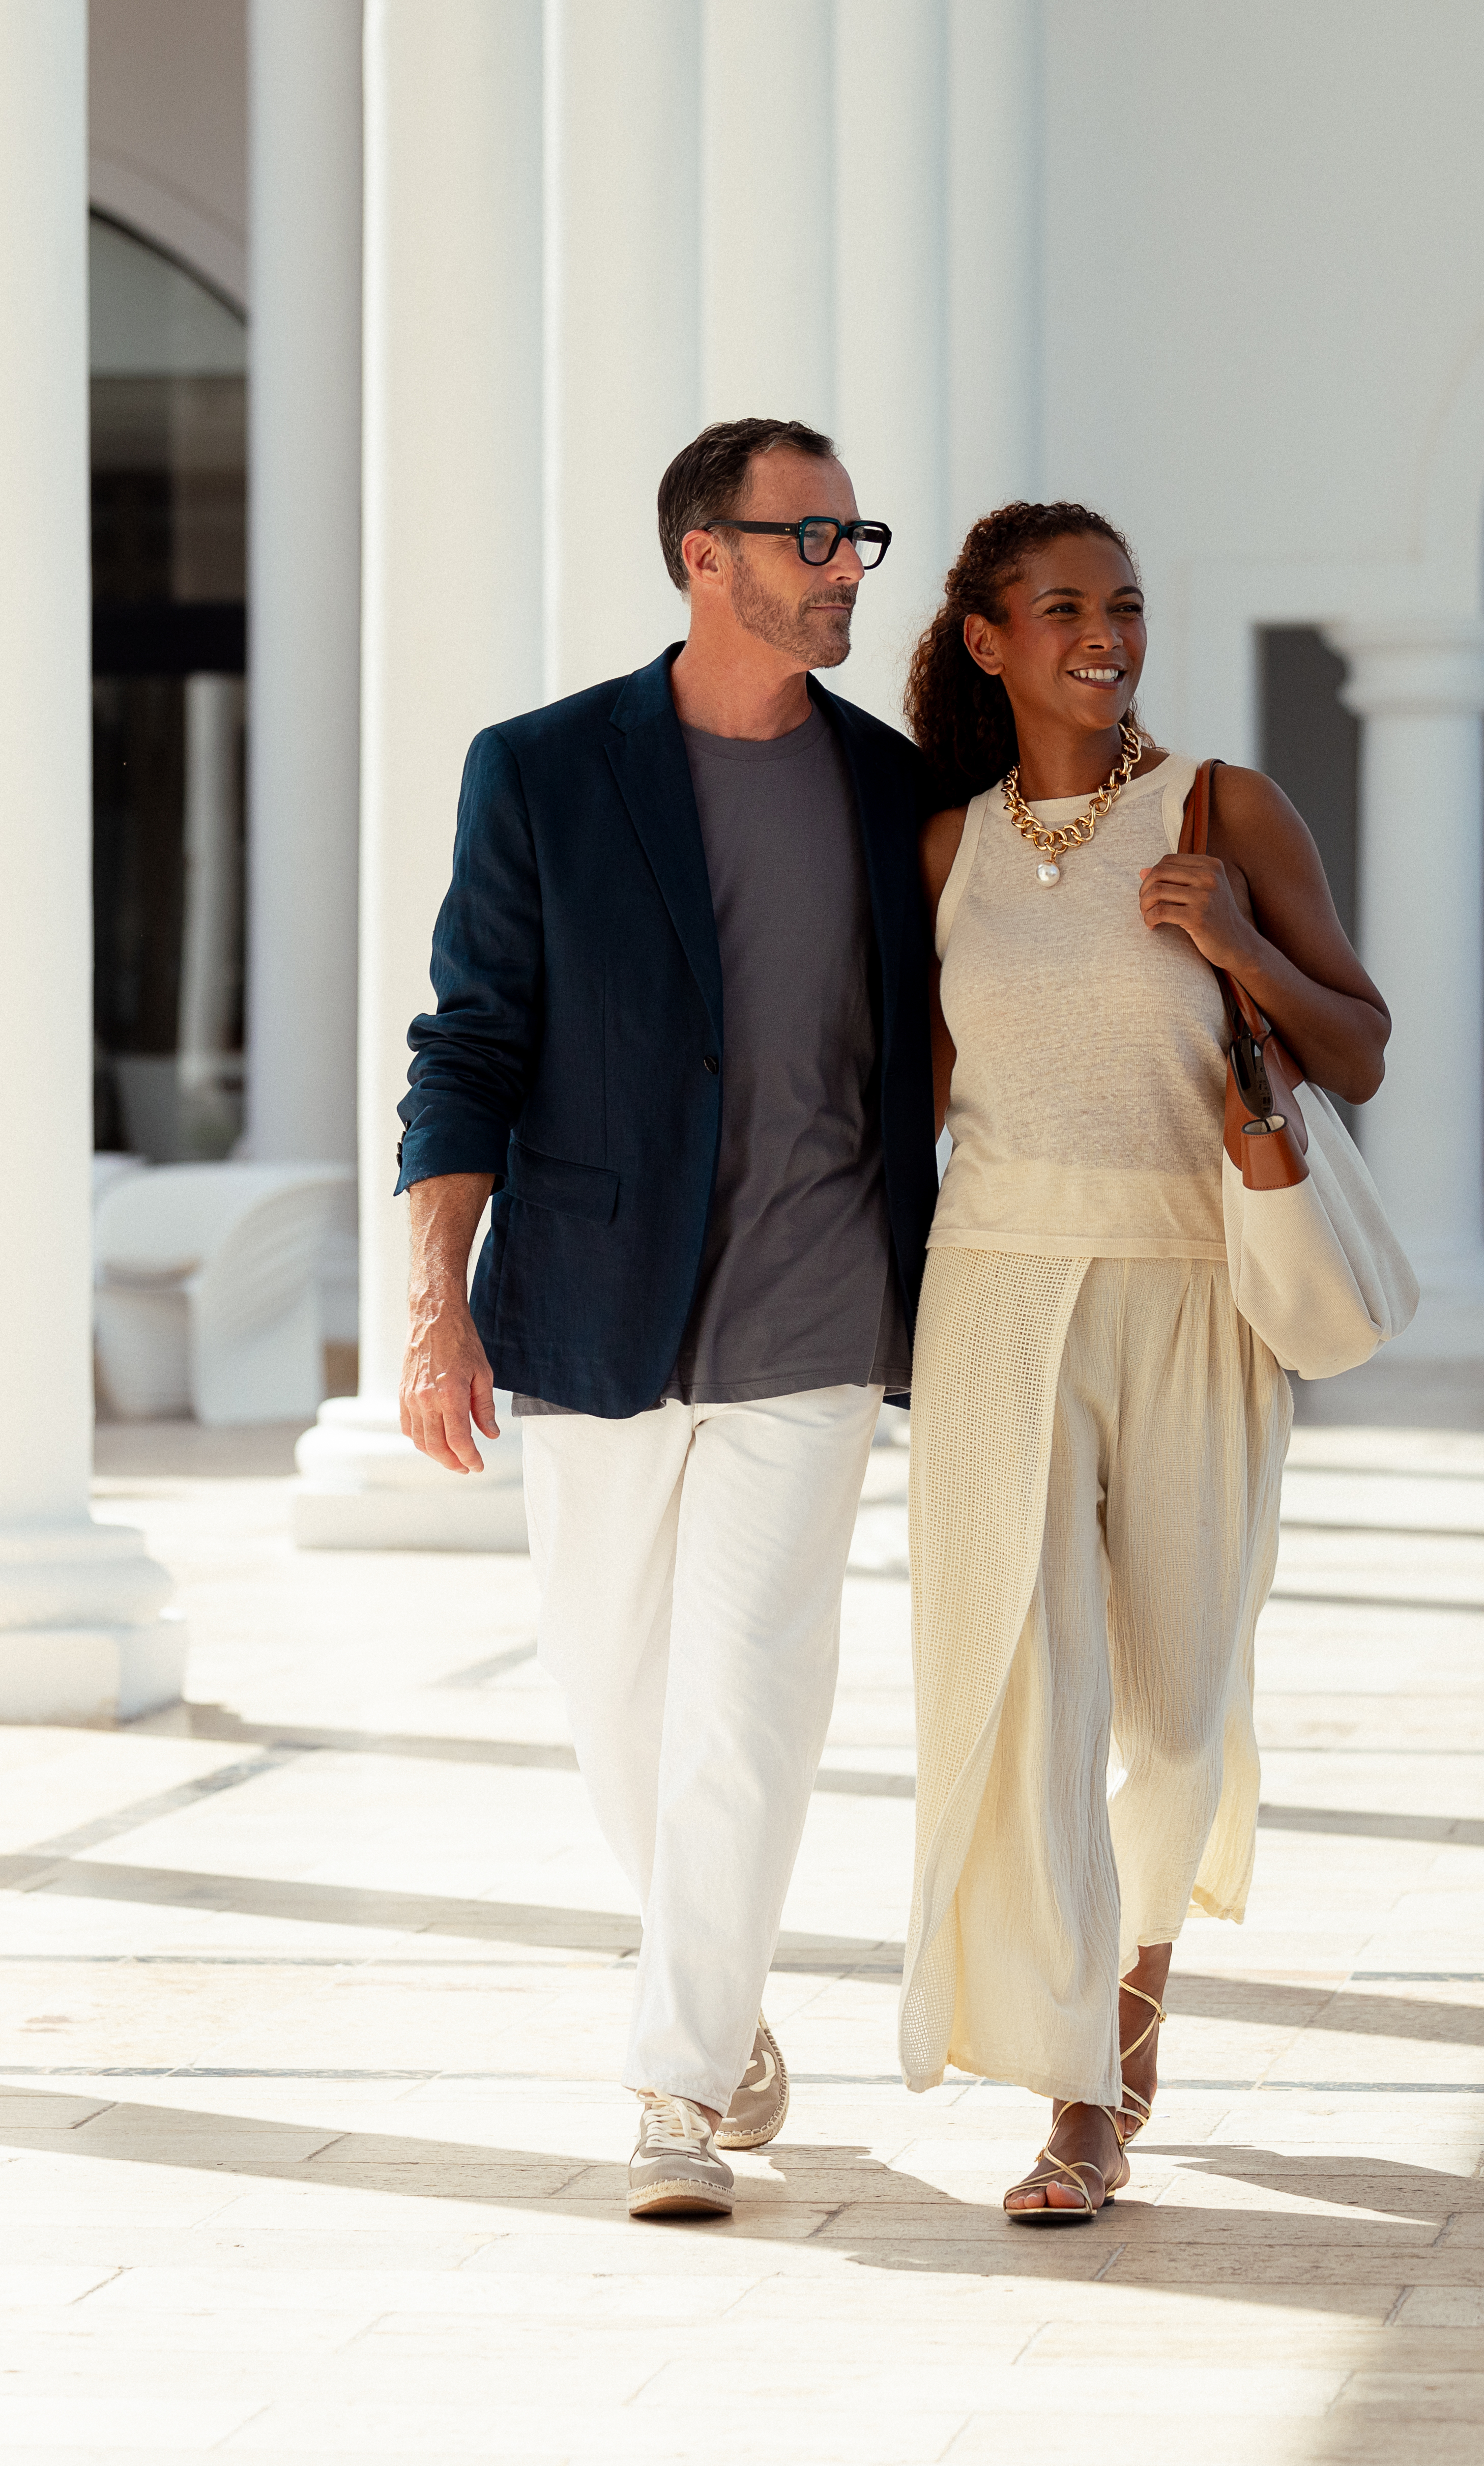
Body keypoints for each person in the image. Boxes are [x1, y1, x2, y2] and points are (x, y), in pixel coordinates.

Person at [395, 417, 937, 2221]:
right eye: (810, 536)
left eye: (856, 535)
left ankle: (674, 2089)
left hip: (818, 1299)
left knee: (748, 1703)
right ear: (704, 556)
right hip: (593, 1302)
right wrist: (432, 1305)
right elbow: (468, 1044)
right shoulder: (541, 771)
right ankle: (715, 1998)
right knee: (611, 1695)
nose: (846, 564)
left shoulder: (889, 788)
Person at [894, 502, 1389, 2224]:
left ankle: (1139, 1995)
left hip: (1189, 1282)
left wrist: (1238, 943)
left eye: (1124, 606)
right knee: (1023, 1695)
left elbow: (1363, 1048)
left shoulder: (1219, 808)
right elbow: (917, 1097)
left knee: (1177, 1707)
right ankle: (1076, 2095)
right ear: (985, 640)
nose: (1103, 636)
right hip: (994, 1286)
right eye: (1061, 609)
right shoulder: (944, 842)